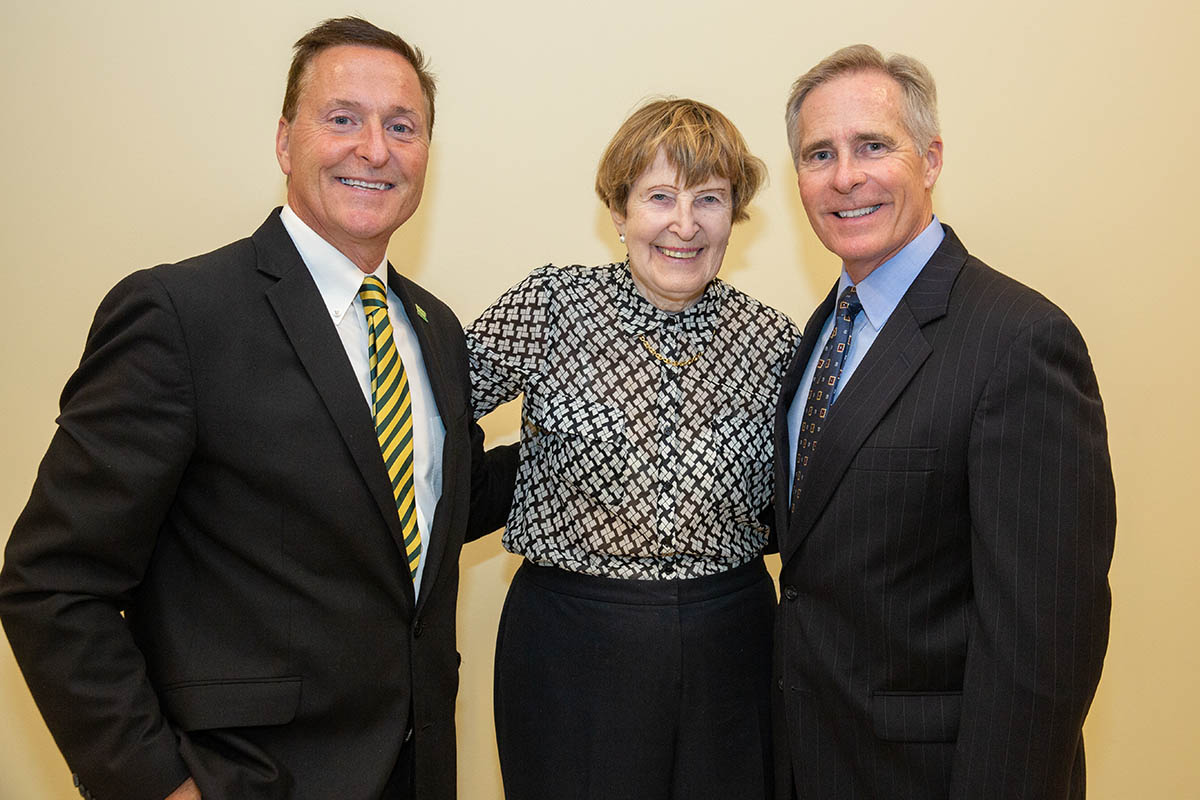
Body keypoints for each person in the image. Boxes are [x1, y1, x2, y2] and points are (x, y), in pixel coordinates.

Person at [0, 17, 516, 800]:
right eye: (343, 118)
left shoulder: (435, 328)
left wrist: (594, 436)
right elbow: (51, 583)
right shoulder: (179, 313)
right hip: (246, 779)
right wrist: (155, 784)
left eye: (401, 126)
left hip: (417, 774)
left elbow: (416, 512)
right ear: (285, 140)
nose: (374, 148)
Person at [771, 44, 1116, 799]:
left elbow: (1045, 642)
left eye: (872, 146)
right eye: (818, 153)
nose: (845, 176)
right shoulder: (823, 330)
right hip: (813, 763)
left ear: (929, 159)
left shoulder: (1019, 341)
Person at [467, 98, 799, 800]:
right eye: (660, 197)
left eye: (709, 199)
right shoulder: (552, 307)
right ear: (618, 212)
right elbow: (429, 419)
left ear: (734, 217)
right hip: (569, 644)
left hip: (732, 646)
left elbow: (814, 490)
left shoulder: (774, 342)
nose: (685, 224)